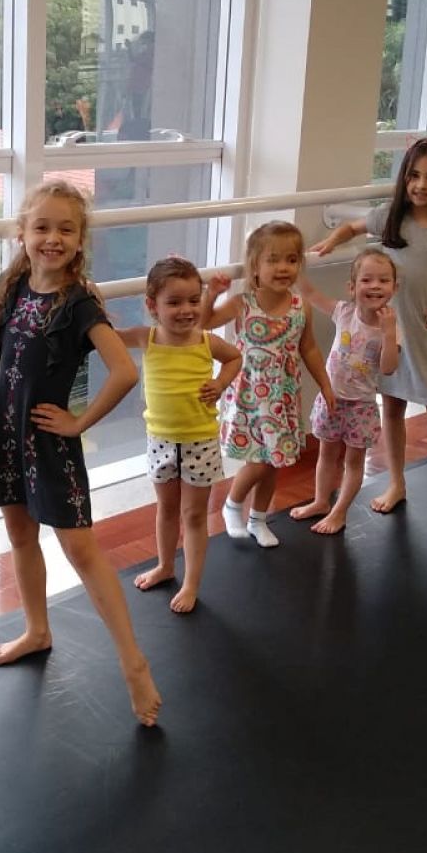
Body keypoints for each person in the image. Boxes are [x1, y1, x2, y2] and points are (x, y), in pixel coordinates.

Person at [0, 180, 161, 726]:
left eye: (65, 229)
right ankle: (36, 629)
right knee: (20, 535)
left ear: (80, 238)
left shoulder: (79, 304)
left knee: (81, 550)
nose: (52, 238)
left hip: (48, 439)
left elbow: (124, 371)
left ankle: (133, 663)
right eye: (41, 227)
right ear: (21, 233)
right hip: (5, 430)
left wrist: (79, 421)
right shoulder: (15, 284)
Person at [308, 138, 427, 550]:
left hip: (426, 332)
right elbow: (352, 227)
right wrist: (331, 242)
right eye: (414, 175)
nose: (421, 185)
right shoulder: (390, 218)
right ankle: (396, 482)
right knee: (392, 408)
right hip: (385, 334)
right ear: (404, 178)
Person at [115, 257, 242, 612]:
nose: (186, 310)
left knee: (194, 515)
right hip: (160, 440)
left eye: (193, 300)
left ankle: (191, 584)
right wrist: (92, 303)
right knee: (167, 509)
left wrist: (220, 383)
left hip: (200, 440)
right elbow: (106, 336)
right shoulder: (146, 338)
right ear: (152, 305)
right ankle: (165, 565)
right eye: (174, 302)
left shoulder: (206, 341)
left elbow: (235, 358)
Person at [203, 221, 335, 549]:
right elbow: (204, 323)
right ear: (255, 266)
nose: (283, 268)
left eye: (291, 260)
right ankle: (232, 504)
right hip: (249, 397)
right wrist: (211, 295)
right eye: (273, 260)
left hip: (282, 398)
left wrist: (325, 384)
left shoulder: (300, 306)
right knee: (260, 461)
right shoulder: (242, 303)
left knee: (276, 461)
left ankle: (258, 518)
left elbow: (309, 348)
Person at [288, 248, 401, 534]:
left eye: (383, 280)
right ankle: (320, 501)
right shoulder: (343, 311)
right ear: (352, 287)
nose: (375, 286)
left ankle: (339, 512)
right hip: (331, 398)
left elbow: (388, 368)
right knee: (326, 454)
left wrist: (389, 333)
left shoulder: (392, 326)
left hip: (361, 406)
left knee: (353, 461)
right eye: (367, 280)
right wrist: (295, 264)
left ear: (394, 288)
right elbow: (310, 293)